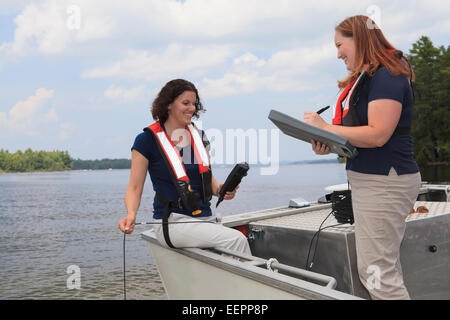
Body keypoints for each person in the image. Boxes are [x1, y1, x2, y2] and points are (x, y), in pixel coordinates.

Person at [303, 15, 421, 300]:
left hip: (385, 181)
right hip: (373, 180)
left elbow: (379, 134)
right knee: (376, 270)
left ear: (359, 38)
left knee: (378, 273)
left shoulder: (389, 73)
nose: (338, 53)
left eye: (340, 45)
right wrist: (329, 143)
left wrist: (326, 127)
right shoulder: (370, 76)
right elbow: (362, 136)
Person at [118, 79, 251, 255]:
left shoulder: (199, 137)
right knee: (236, 240)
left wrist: (222, 191)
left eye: (194, 104)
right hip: (172, 222)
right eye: (185, 103)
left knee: (240, 238)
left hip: (205, 218)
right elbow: (134, 187)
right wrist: (131, 215)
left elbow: (209, 183)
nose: (192, 109)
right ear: (168, 105)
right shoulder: (146, 141)